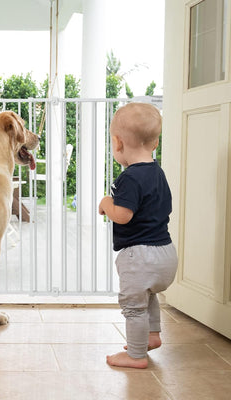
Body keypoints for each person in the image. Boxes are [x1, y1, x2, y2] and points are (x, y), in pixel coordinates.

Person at [99, 102, 178, 369]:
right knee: (149, 295)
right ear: (155, 143)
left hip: (139, 256)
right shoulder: (158, 173)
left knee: (134, 307)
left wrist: (106, 202)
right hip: (165, 252)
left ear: (118, 143)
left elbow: (123, 215)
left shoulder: (129, 178)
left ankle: (135, 355)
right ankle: (152, 336)